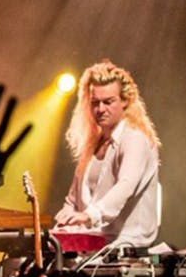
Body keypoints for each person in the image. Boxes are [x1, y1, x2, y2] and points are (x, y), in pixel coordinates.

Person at [53, 59, 161, 250]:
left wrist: (89, 216)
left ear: (125, 101)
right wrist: (64, 220)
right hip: (92, 246)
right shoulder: (92, 144)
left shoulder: (134, 139)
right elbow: (72, 200)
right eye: (95, 103)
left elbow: (126, 185)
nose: (100, 109)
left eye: (108, 102)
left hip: (125, 246)